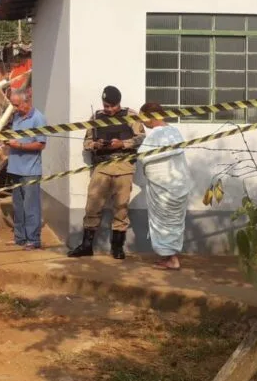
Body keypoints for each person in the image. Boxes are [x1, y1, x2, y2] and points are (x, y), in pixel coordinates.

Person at [68, 85, 145, 260]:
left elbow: (141, 138)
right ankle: (87, 246)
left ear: (119, 103)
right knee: (92, 206)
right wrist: (96, 144)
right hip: (101, 168)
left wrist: (122, 144)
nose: (108, 109)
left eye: (112, 106)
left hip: (124, 167)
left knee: (121, 207)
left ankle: (117, 247)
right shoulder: (96, 117)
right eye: (106, 106)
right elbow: (87, 142)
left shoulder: (130, 115)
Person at [137, 102, 192, 270]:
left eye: (143, 119)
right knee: (173, 222)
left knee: (164, 222)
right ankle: (171, 257)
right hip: (179, 186)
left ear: (150, 117)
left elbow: (143, 156)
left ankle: (171, 259)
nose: (143, 123)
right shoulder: (174, 131)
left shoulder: (156, 134)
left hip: (164, 189)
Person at [5, 90, 47, 249]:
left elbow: (41, 144)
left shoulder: (38, 119)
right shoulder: (16, 117)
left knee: (31, 206)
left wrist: (20, 145)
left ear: (26, 102)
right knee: (18, 206)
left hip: (30, 171)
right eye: (13, 105)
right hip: (15, 168)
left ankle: (33, 240)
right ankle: (19, 237)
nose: (14, 108)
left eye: (16, 105)